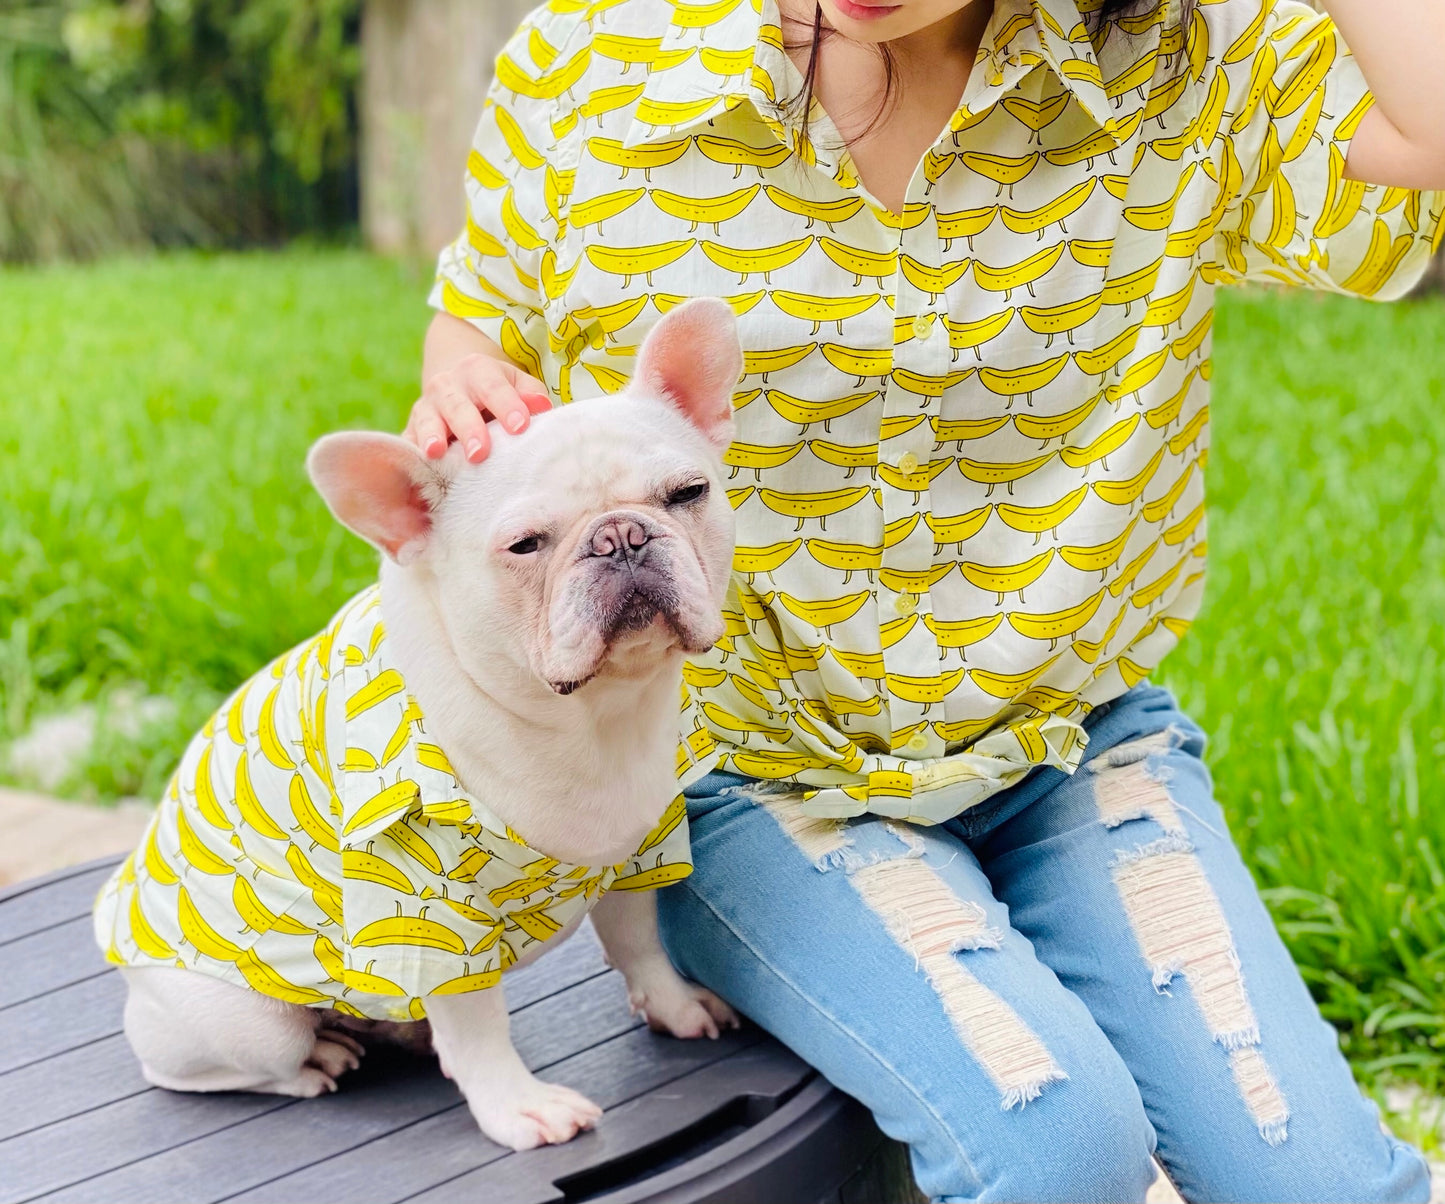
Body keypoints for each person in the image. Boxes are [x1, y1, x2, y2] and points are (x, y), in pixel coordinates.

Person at [404, 0, 1444, 1198]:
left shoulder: (1178, 63)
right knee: (1055, 1145)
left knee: (1315, 1182)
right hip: (744, 780)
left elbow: (1424, 139)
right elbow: (479, 313)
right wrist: (462, 377)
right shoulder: (595, 61)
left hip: (1071, 748)